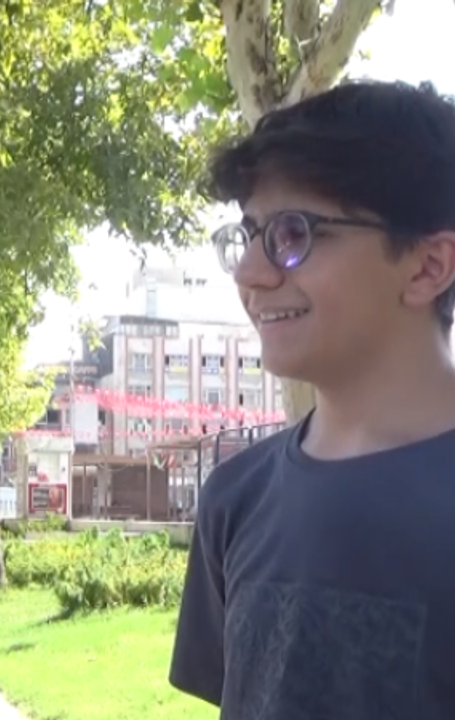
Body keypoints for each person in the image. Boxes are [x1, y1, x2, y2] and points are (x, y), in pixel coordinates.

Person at [171, 80, 455, 719]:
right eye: (248, 234)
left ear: (427, 266)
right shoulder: (235, 499)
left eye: (293, 233)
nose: (250, 273)